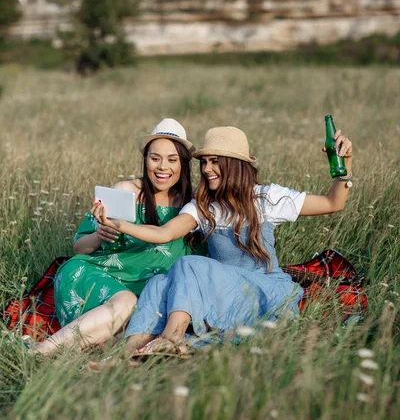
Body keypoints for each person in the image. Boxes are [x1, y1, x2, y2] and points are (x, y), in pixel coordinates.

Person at [91, 124, 353, 360]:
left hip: (264, 293)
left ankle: (171, 338)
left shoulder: (265, 198)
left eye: (214, 161)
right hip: (223, 295)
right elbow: (164, 233)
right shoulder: (204, 207)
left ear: (234, 164)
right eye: (204, 162)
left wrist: (345, 165)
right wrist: (121, 225)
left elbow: (333, 203)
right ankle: (123, 357)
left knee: (189, 264)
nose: (206, 169)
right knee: (159, 283)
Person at [32, 118, 196, 356]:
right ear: (145, 160)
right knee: (127, 303)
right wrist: (99, 235)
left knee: (141, 325)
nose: (163, 167)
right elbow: (79, 247)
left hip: (149, 293)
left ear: (183, 164)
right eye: (155, 158)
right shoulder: (126, 192)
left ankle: (87, 351)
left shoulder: (192, 206)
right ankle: (39, 353)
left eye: (172, 160)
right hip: (96, 275)